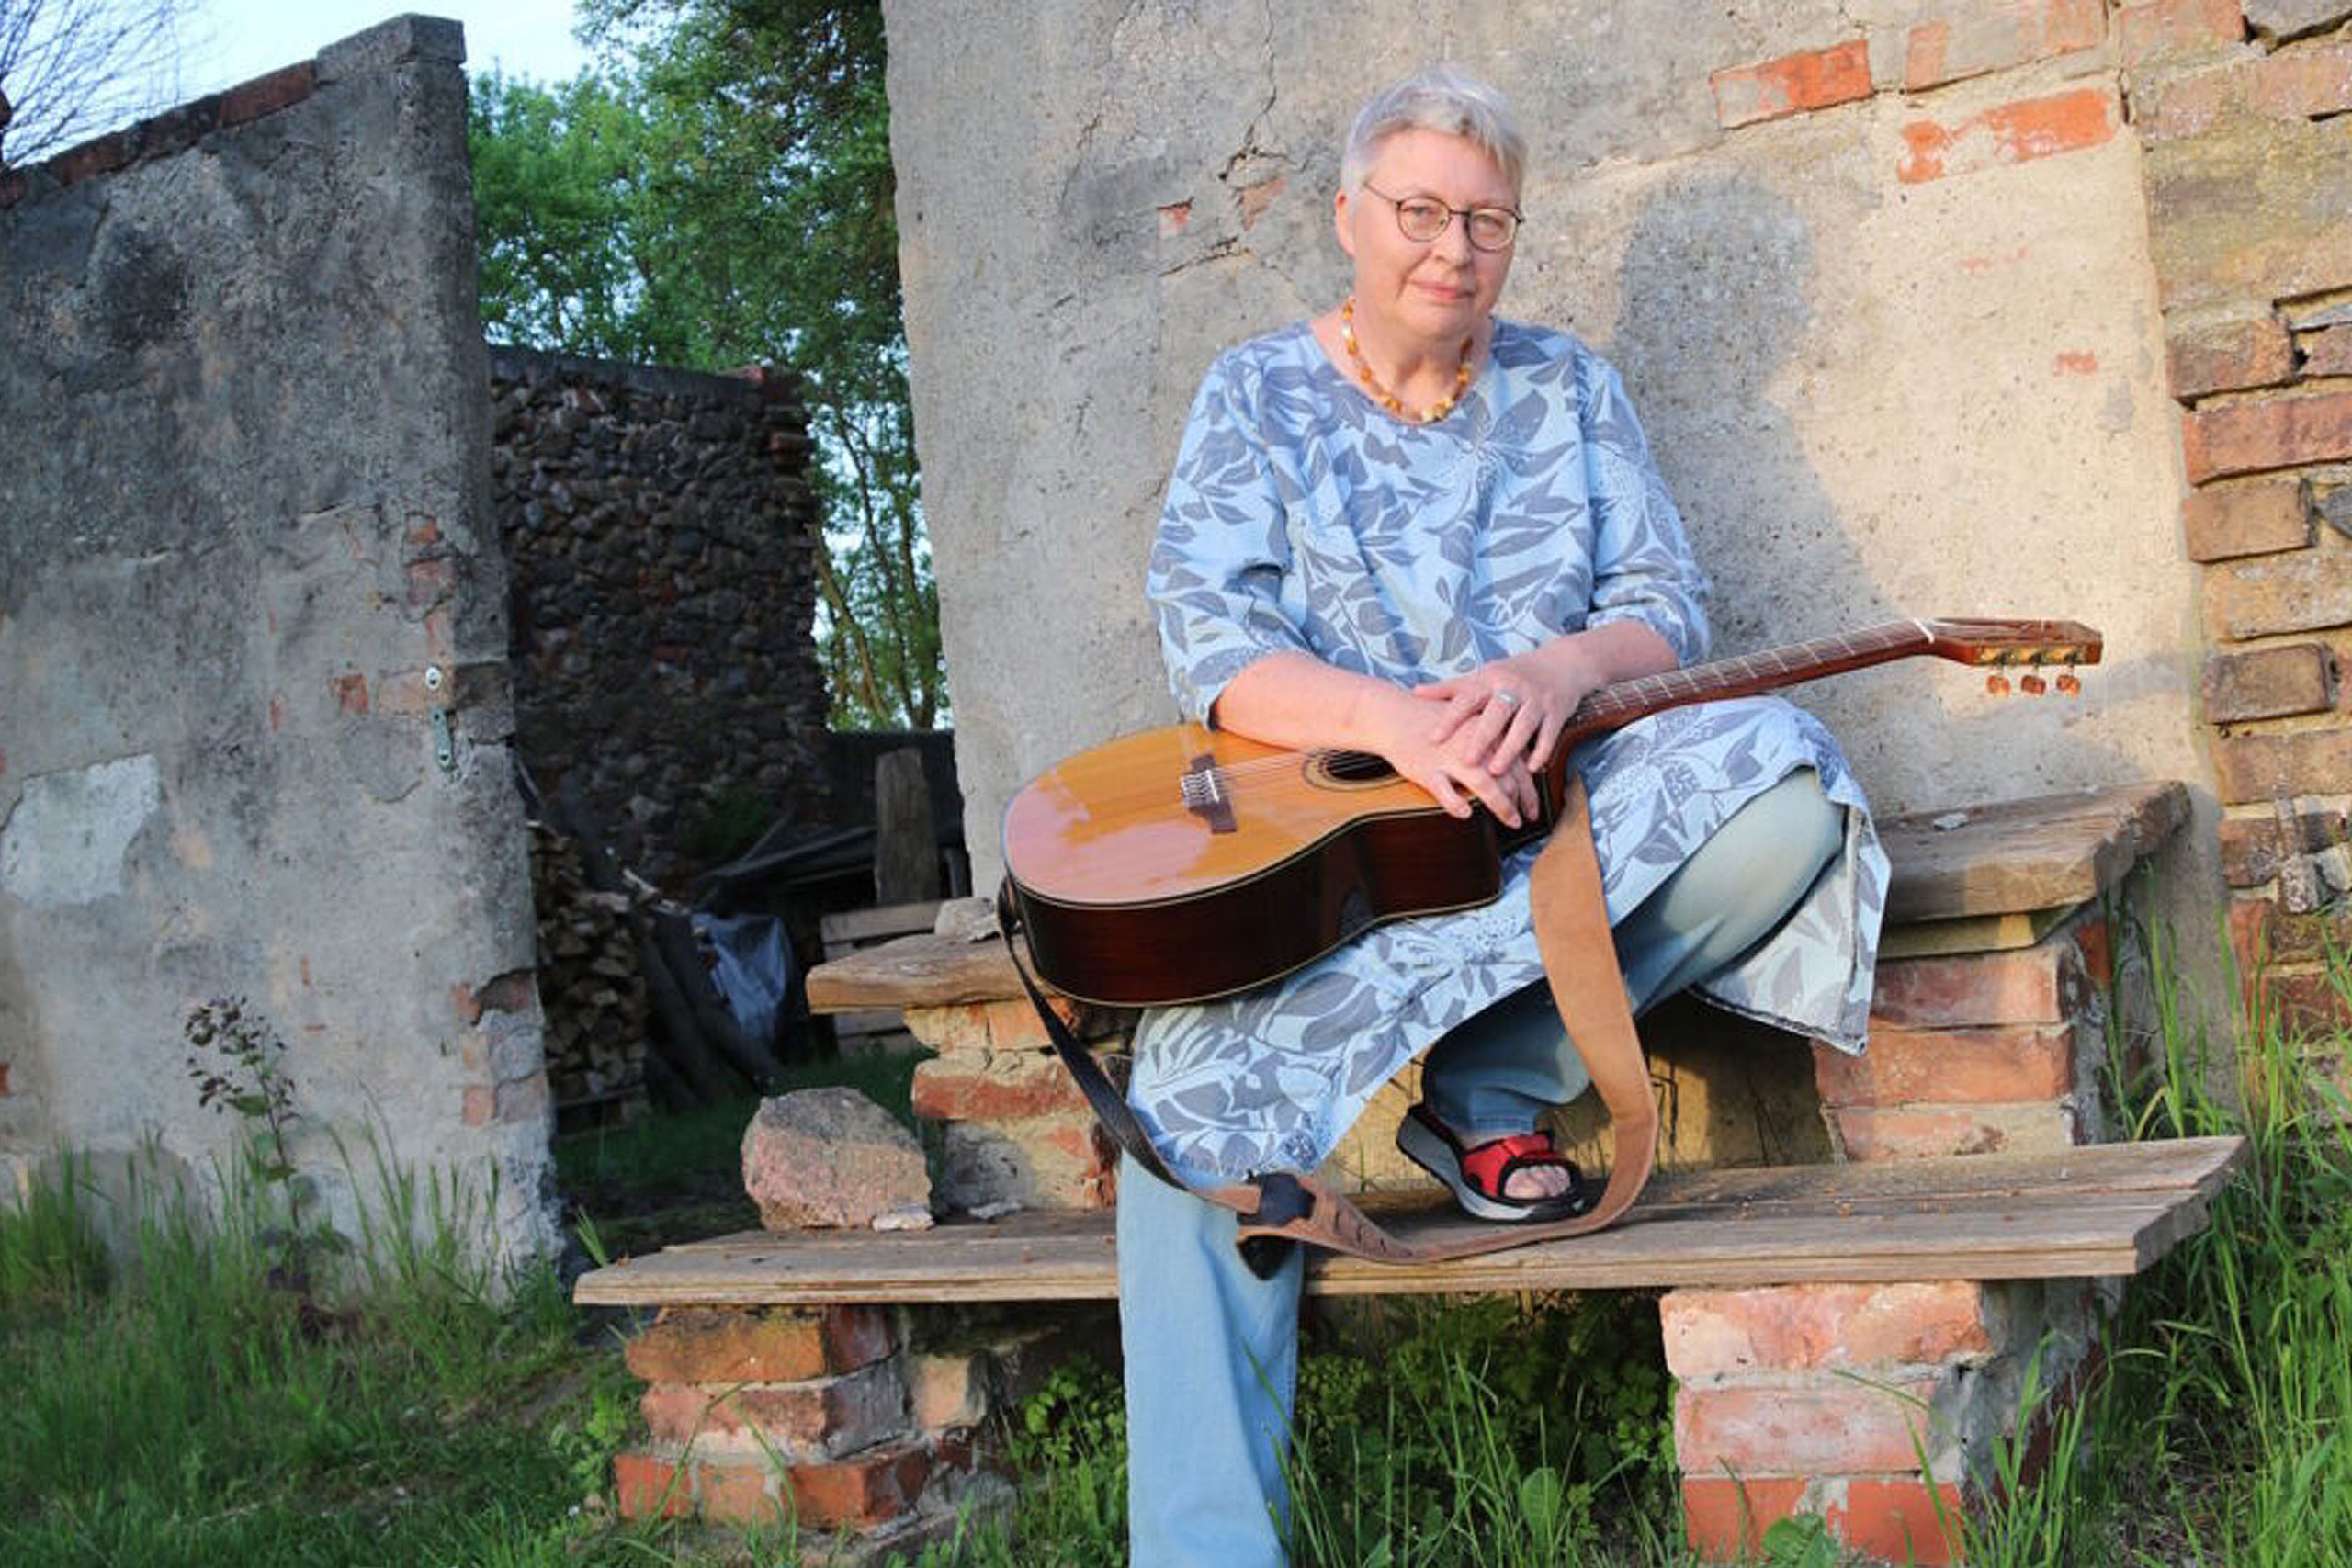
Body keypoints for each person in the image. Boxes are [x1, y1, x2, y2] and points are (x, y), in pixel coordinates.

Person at [1115, 65, 1887, 1566]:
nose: (1451, 249)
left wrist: (1550, 673)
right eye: (1419, 211)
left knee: (1788, 786)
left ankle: (1487, 1088)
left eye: (1486, 220)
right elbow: (1211, 641)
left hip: (1548, 818)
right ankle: (1205, 1550)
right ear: (1349, 218)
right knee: (1187, 1103)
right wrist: (1395, 720)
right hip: (1339, 853)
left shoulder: (1568, 383)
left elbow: (1663, 604)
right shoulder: (1256, 393)